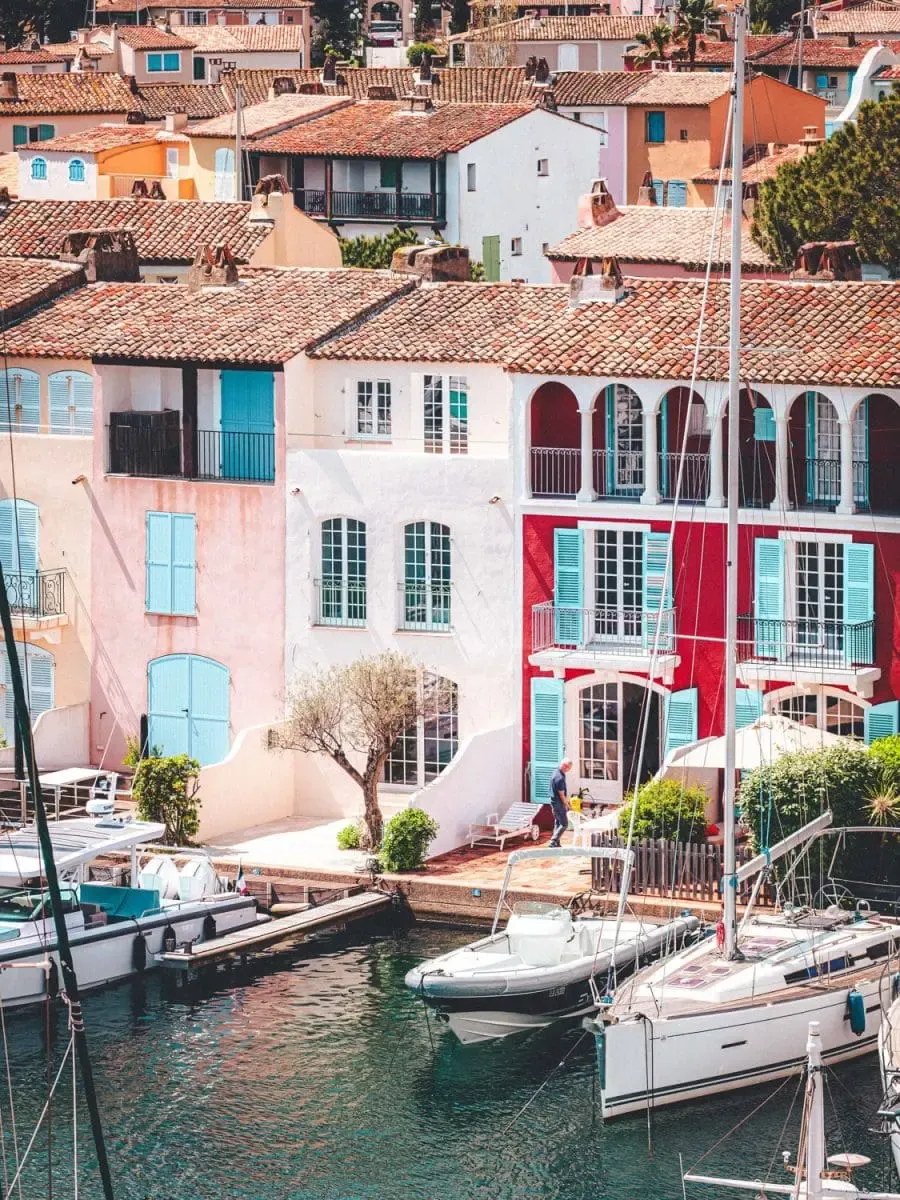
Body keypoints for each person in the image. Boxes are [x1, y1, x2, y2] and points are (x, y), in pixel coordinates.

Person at [548, 759, 572, 848]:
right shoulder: (560, 778)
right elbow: (562, 795)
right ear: (565, 766)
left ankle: (556, 843)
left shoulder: (556, 771)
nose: (567, 769)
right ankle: (553, 841)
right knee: (564, 824)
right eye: (568, 768)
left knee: (558, 822)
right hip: (558, 803)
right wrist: (568, 805)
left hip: (553, 802)